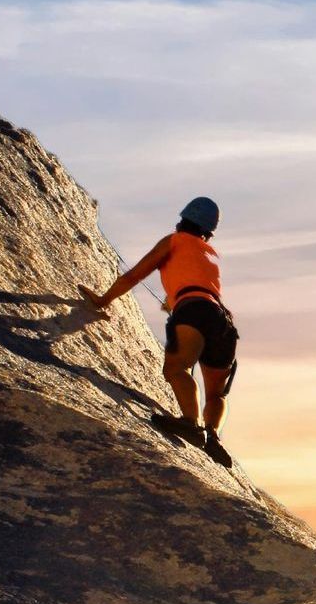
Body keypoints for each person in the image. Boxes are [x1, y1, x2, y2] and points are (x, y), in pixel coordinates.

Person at [81, 196, 238, 465]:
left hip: (193, 310)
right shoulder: (212, 255)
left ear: (183, 219)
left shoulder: (173, 241)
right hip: (223, 321)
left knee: (176, 369)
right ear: (208, 232)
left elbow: (134, 276)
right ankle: (212, 436)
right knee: (216, 394)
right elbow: (198, 284)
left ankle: (191, 422)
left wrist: (102, 300)